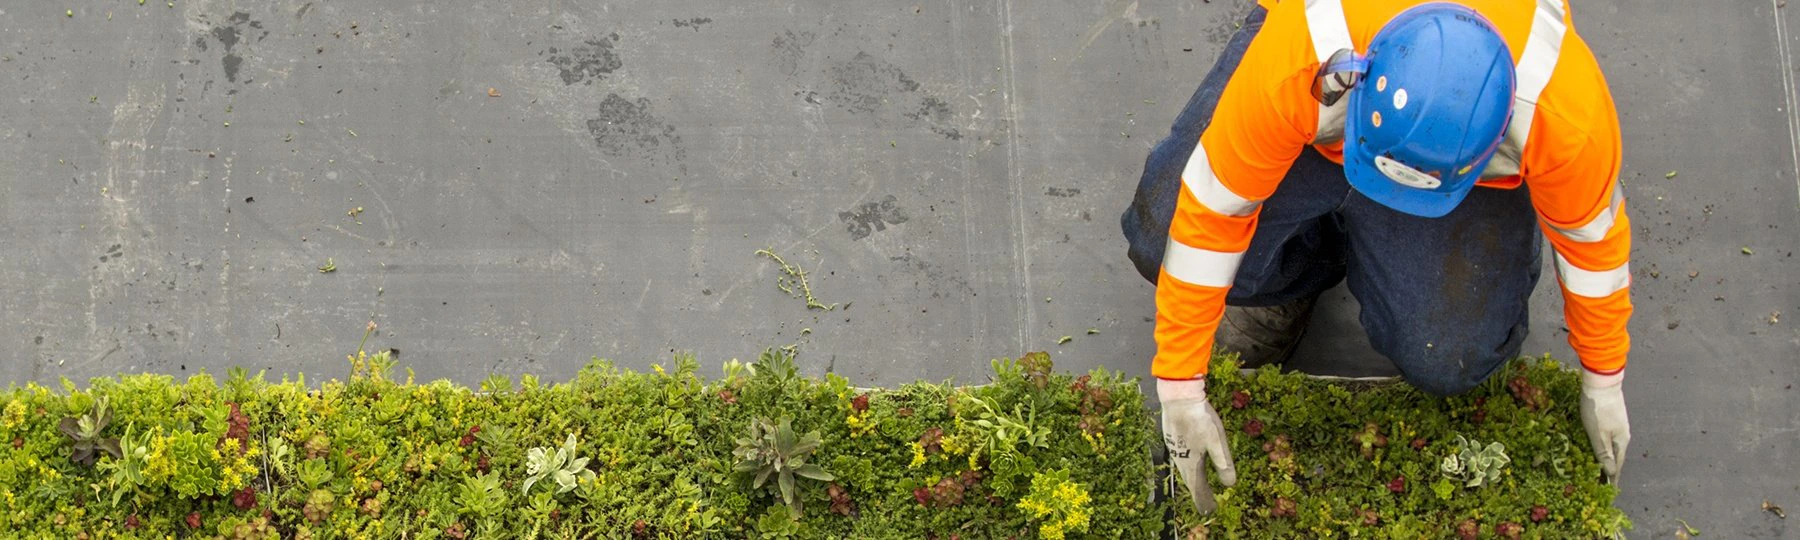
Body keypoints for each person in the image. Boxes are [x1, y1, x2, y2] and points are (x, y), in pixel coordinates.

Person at [1120, 0, 1631, 511]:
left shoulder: (1565, 117)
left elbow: (1592, 247)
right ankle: (1299, 269)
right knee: (1164, 236)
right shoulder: (1303, 59)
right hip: (1326, 118)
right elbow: (1213, 210)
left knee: (1451, 356)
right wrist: (1181, 385)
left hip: (1458, 162)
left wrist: (1603, 379)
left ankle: (1433, 243)